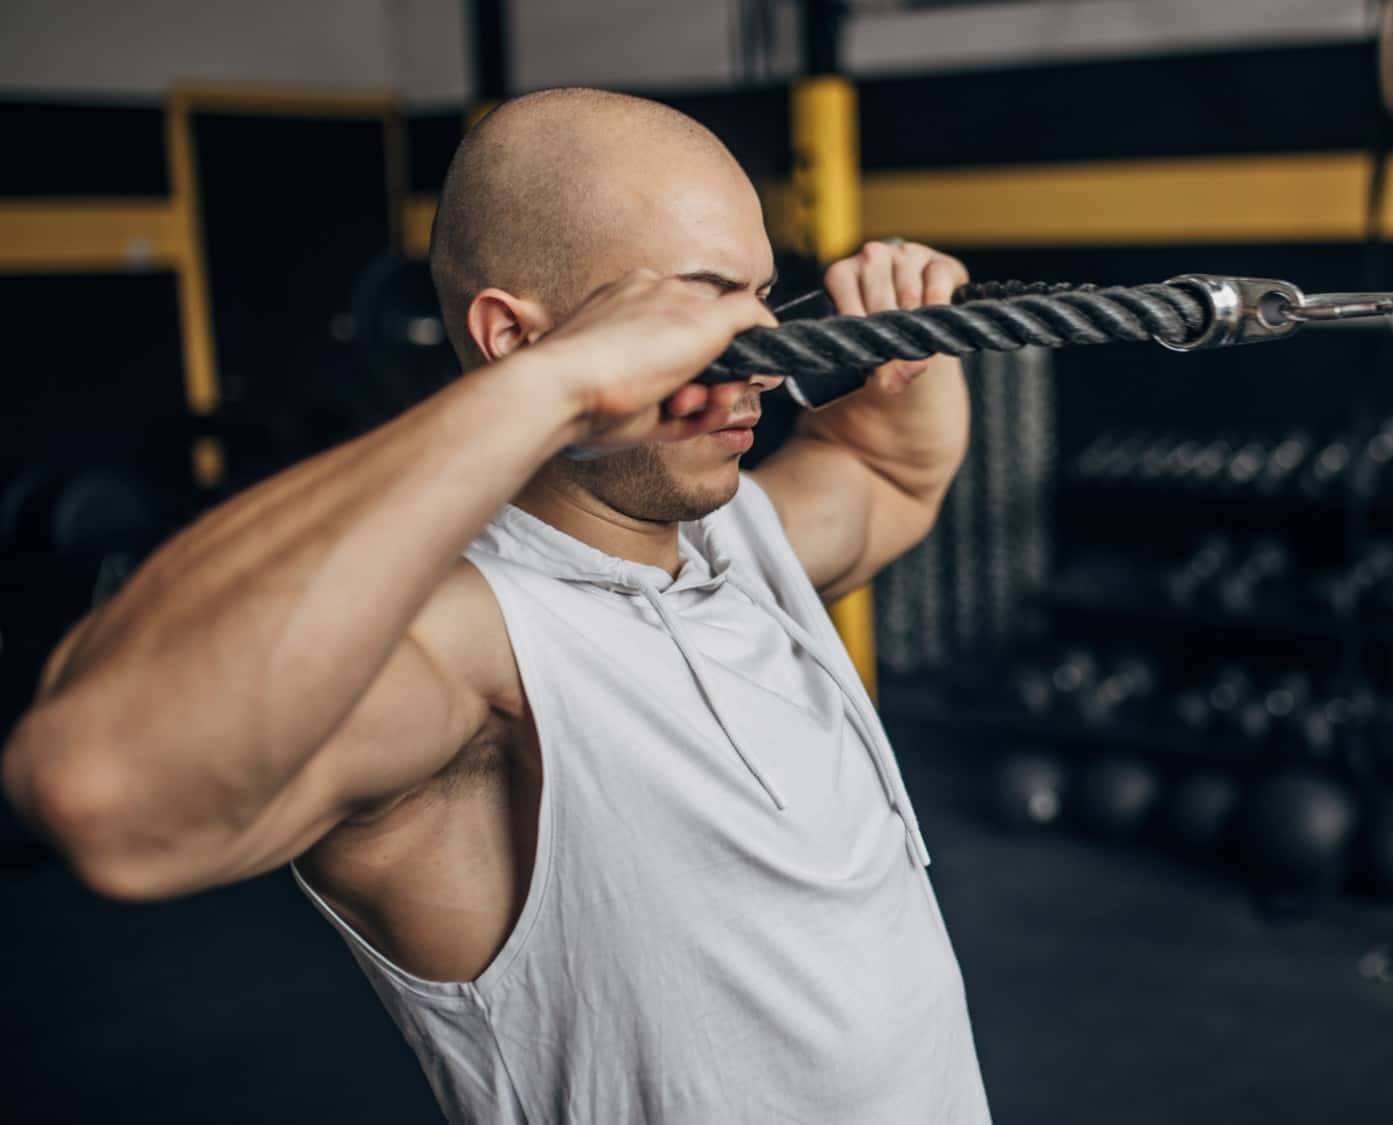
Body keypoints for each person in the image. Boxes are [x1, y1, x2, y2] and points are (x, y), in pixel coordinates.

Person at [1, 87, 990, 1124]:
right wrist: (550, 391)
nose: (751, 363)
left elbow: (885, 480)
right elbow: (101, 791)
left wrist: (905, 372)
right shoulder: (471, 648)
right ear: (516, 340)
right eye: (692, 308)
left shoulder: (734, 535)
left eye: (754, 300)